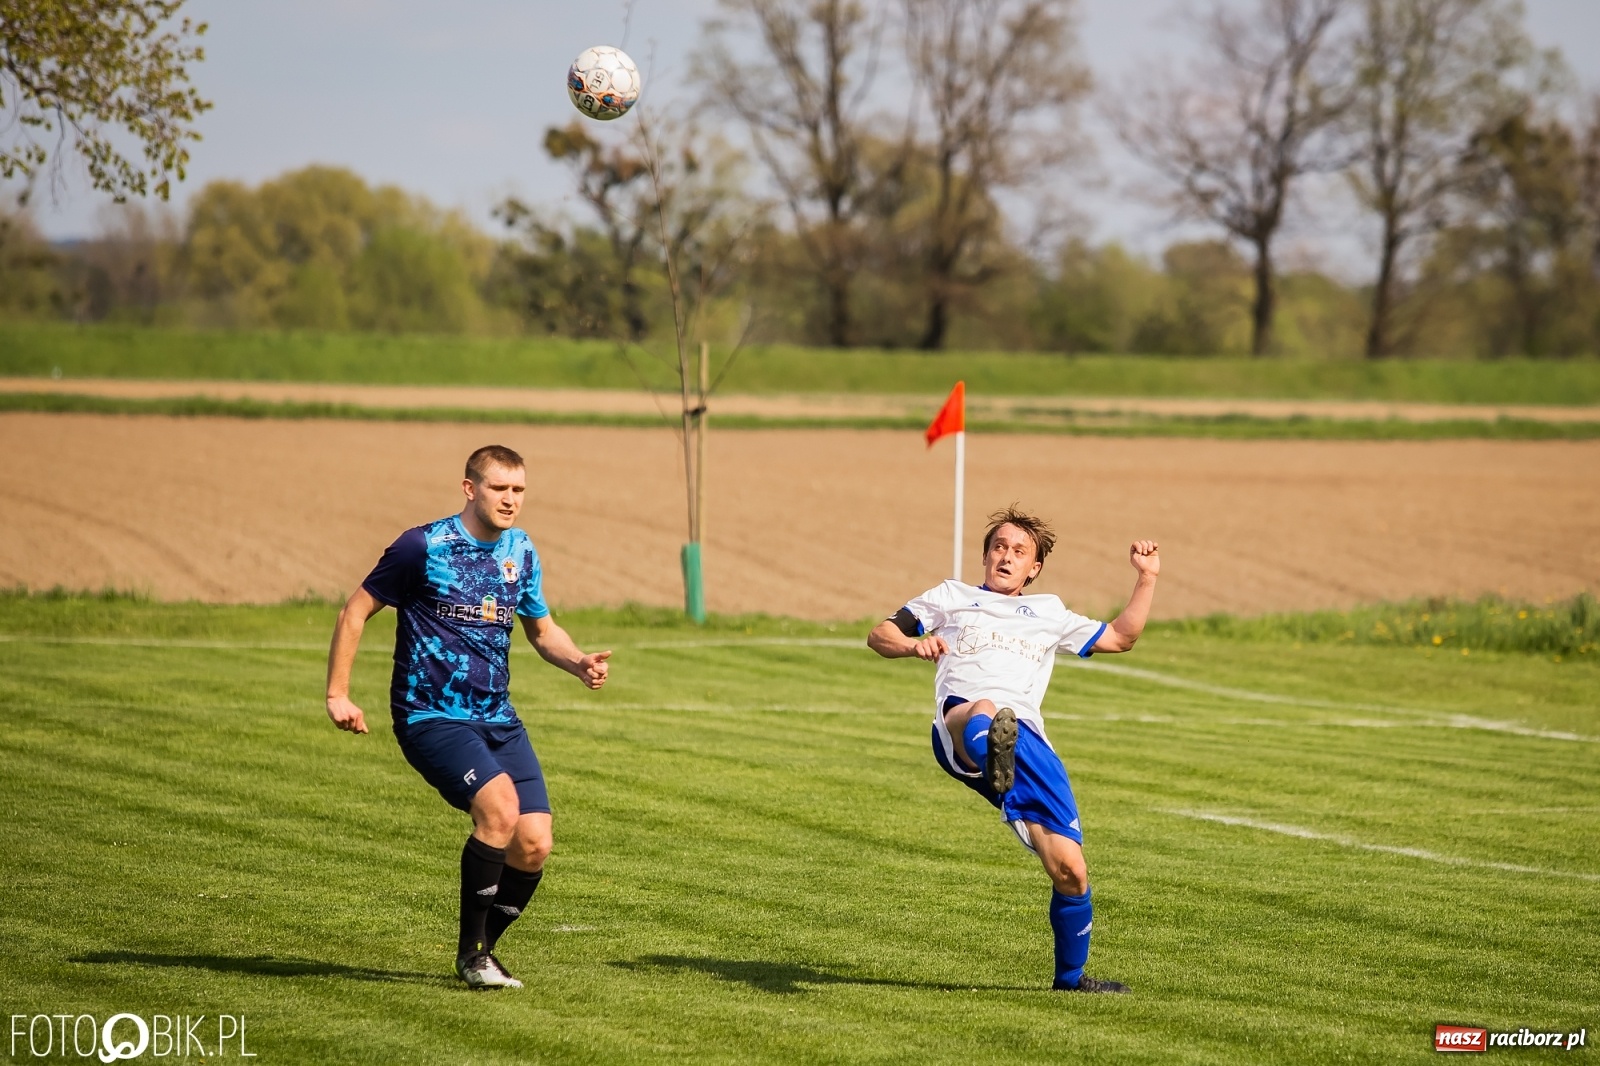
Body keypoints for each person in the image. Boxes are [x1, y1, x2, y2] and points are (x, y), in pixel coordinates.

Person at [323, 444, 611, 990]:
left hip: (497, 718)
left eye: (519, 489)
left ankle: (479, 953)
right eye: (499, 488)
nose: (510, 500)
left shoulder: (520, 550)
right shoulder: (422, 546)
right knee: (499, 811)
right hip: (430, 715)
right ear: (469, 488)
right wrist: (339, 693)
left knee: (534, 843)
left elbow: (543, 631)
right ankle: (475, 957)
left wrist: (578, 663)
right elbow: (355, 610)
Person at [867, 506, 1159, 993]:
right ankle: (989, 755)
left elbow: (1122, 637)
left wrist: (1146, 578)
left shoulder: (1048, 612)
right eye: (999, 547)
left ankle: (1070, 980)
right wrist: (911, 646)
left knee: (1071, 870)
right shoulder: (950, 597)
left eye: (1019, 552)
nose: (1007, 557)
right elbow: (881, 634)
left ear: (1034, 567)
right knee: (982, 706)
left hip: (1027, 742)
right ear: (984, 555)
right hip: (960, 725)